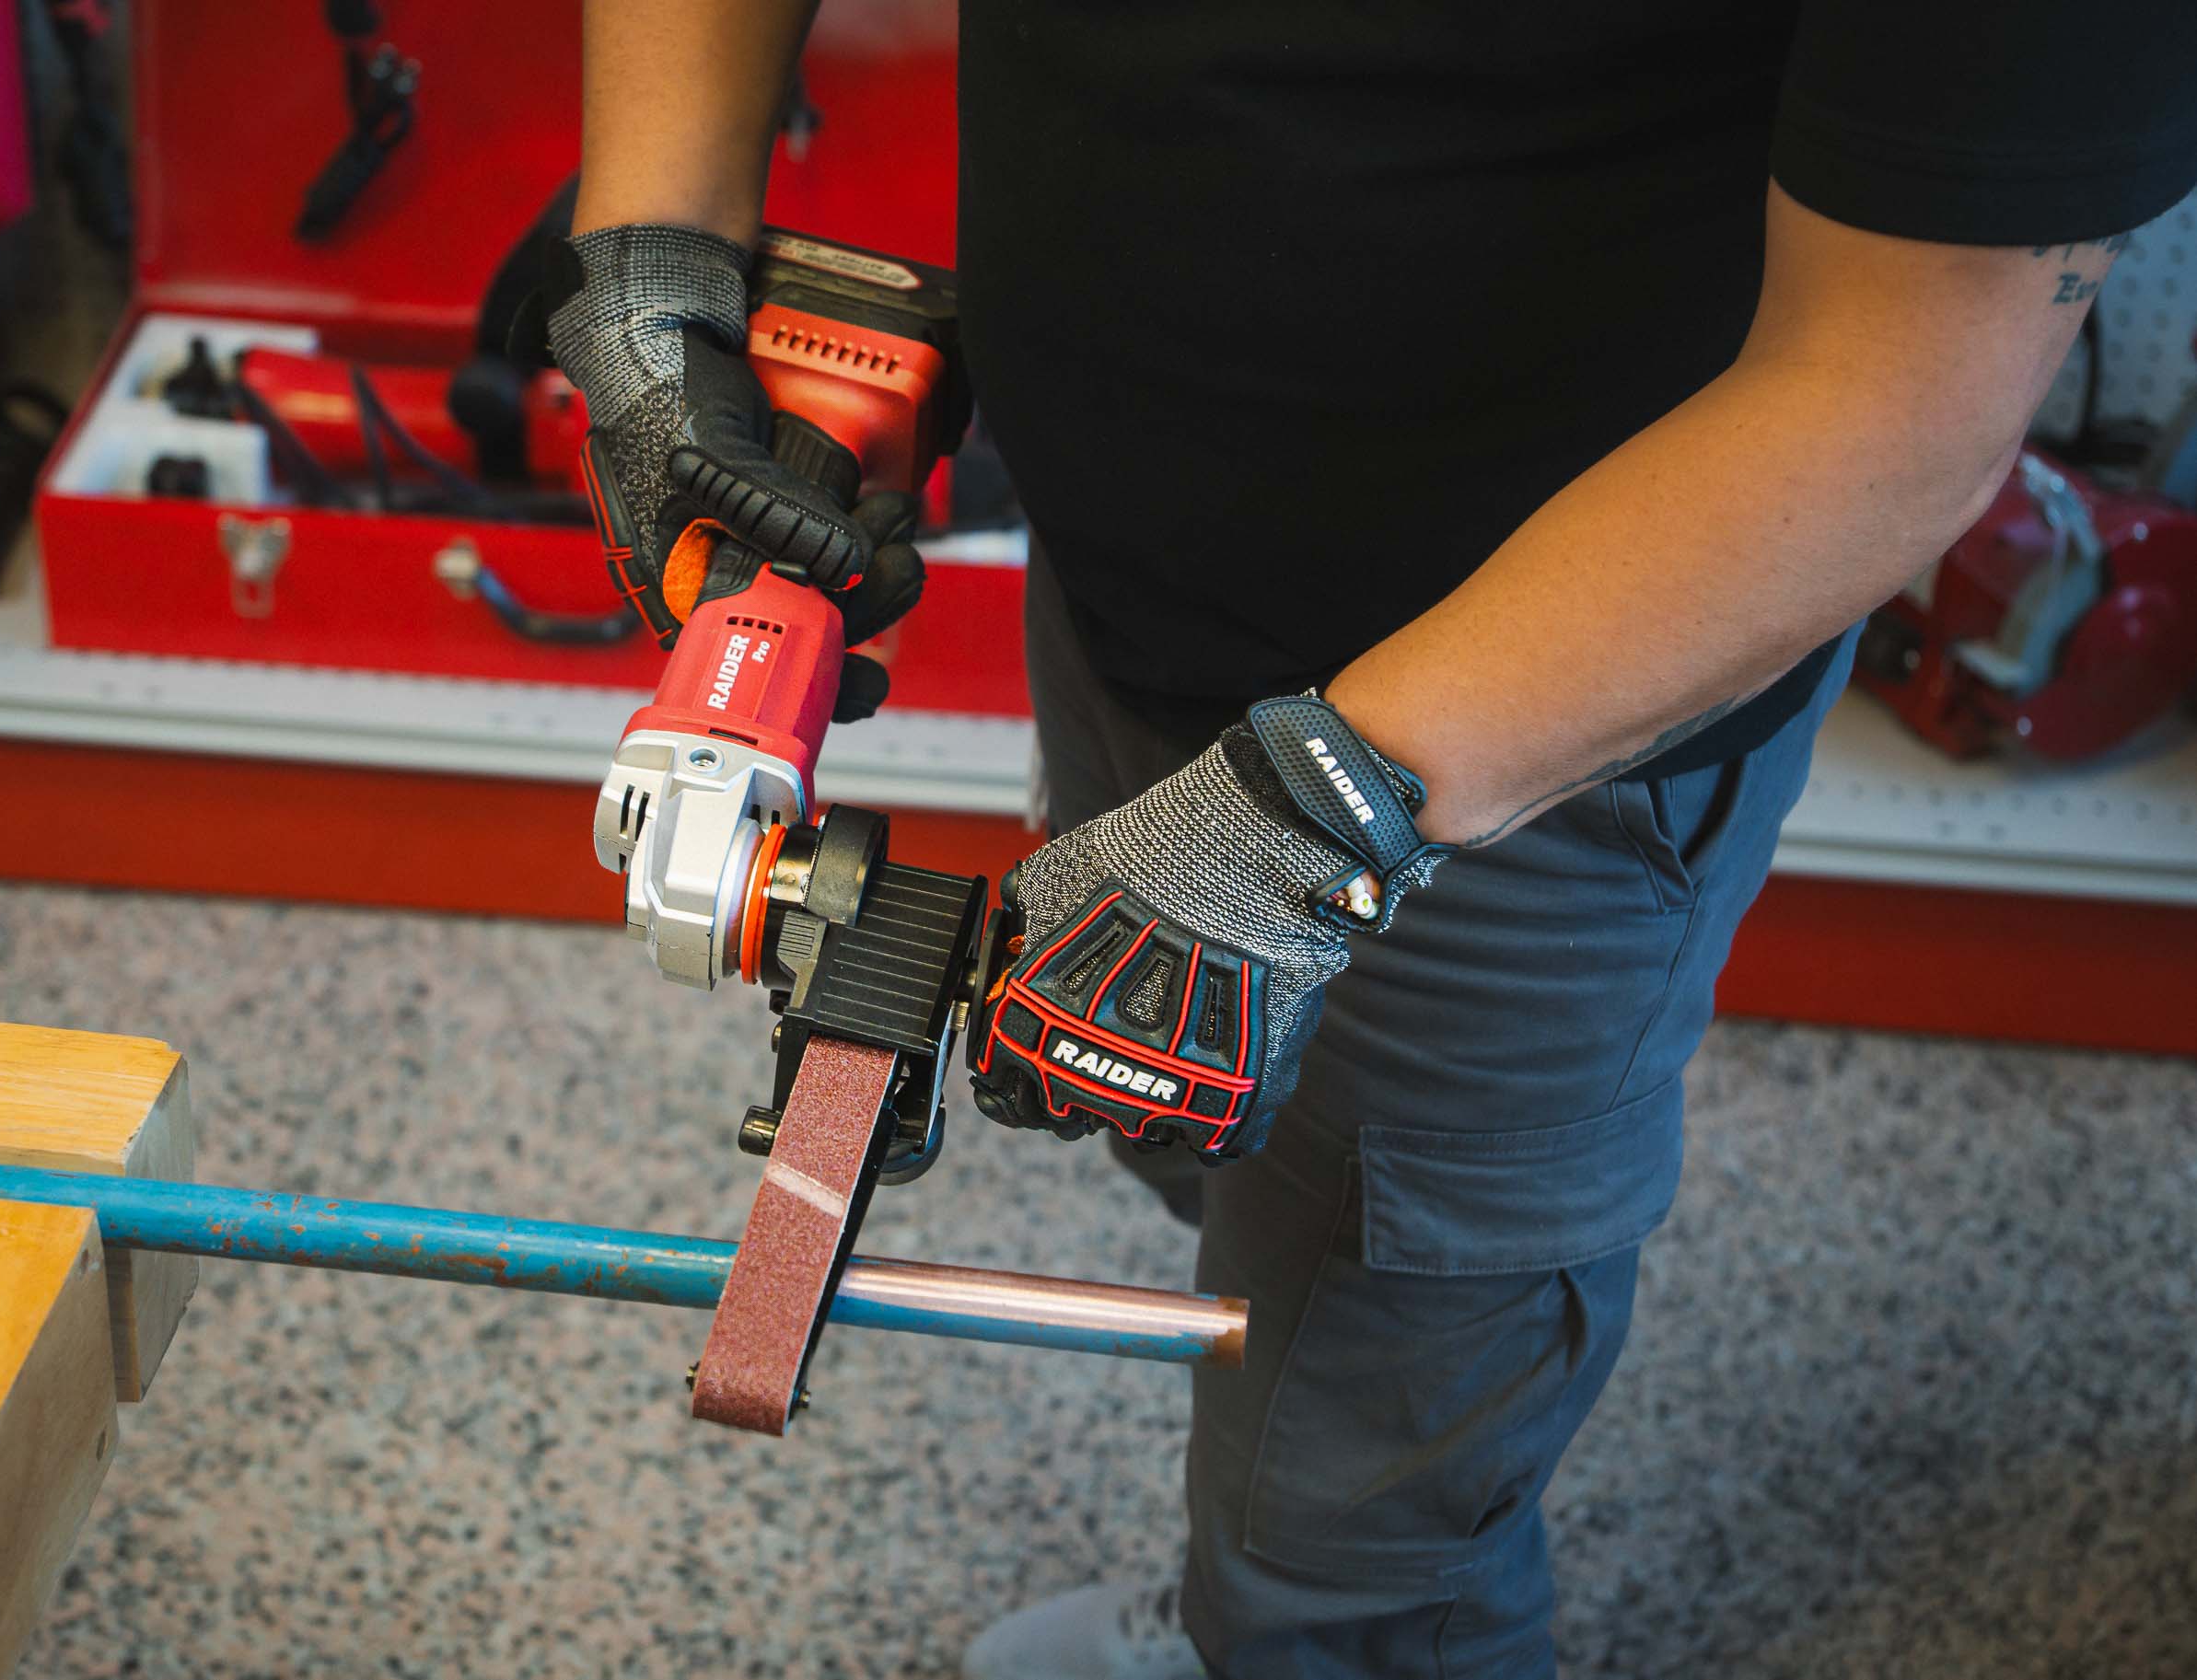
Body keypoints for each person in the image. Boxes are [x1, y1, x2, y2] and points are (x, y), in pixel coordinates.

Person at [541, 5, 2197, 1675]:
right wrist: (651, 259)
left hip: (1539, 738)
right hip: (1129, 582)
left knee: (1356, 1496)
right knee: (1208, 1156)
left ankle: (1307, 1638)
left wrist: (1296, 826)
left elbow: (1908, 404)